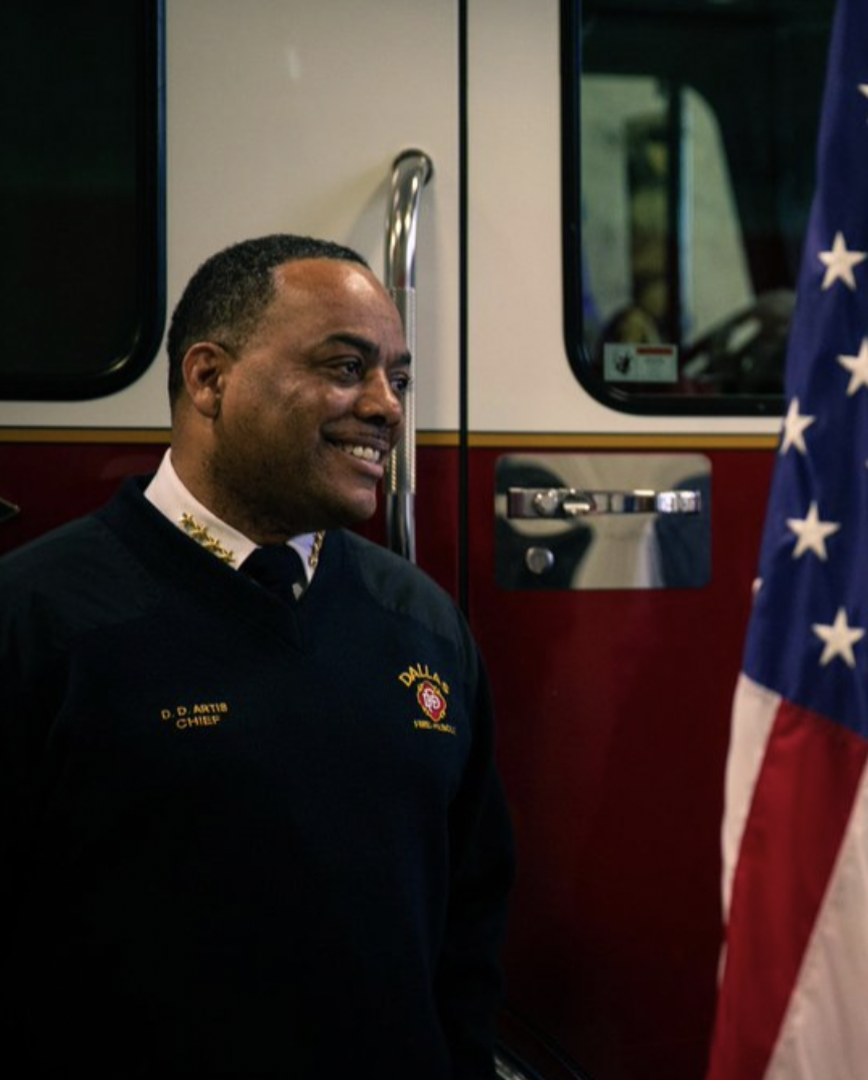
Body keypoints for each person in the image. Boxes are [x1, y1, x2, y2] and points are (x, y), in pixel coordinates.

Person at [0, 235, 515, 1078]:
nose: (387, 406)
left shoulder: (423, 625)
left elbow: (471, 925)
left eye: (400, 379)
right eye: (347, 367)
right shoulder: (37, 621)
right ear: (209, 378)